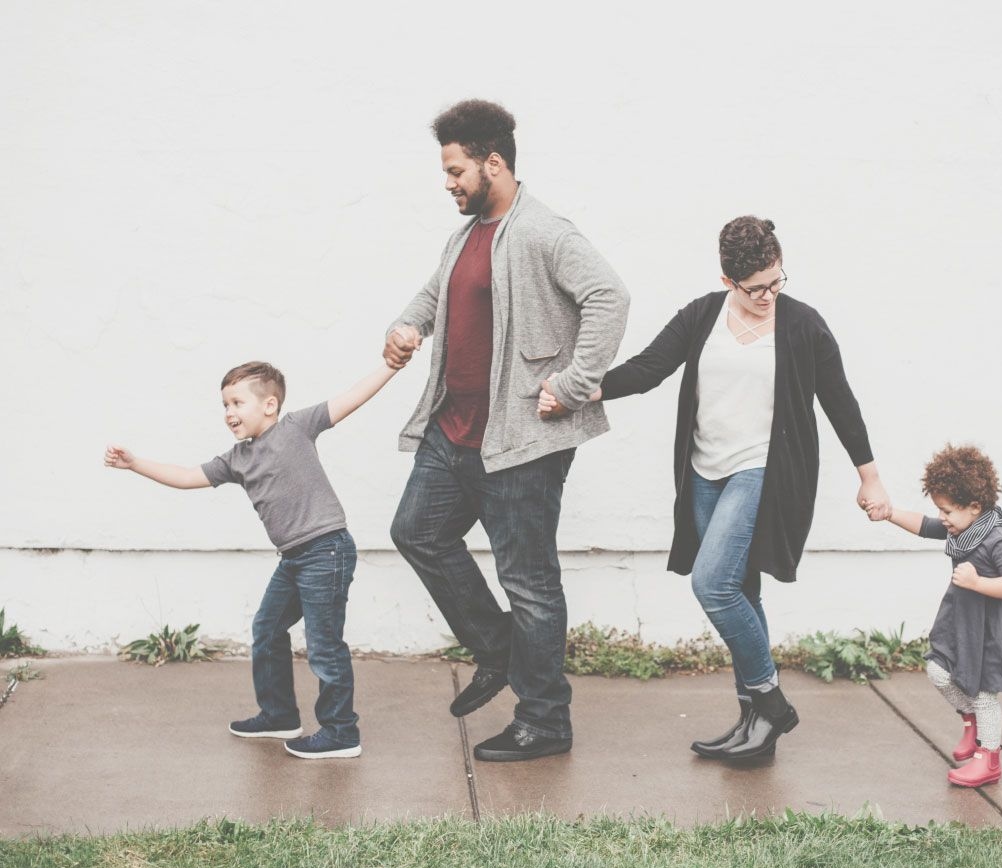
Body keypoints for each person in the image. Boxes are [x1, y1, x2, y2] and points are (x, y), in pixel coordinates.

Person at [539, 216, 890, 760]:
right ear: (729, 281)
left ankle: (771, 702)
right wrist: (580, 391)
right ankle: (755, 727)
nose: (768, 296)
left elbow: (840, 401)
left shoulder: (803, 326)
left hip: (762, 471)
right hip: (704, 473)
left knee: (713, 585)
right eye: (755, 289)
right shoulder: (704, 315)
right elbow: (649, 368)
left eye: (777, 282)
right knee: (741, 591)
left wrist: (869, 476)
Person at [384, 99, 629, 762]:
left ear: (493, 163)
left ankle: (545, 719)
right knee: (416, 532)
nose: (449, 182)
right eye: (447, 170)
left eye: (457, 169)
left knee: (529, 581)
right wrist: (406, 327)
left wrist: (573, 384)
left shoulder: (543, 231)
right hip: (454, 431)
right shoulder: (466, 235)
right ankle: (497, 651)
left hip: (519, 442)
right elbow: (436, 294)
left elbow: (610, 296)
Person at [104, 359, 400, 759]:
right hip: (293, 558)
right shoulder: (237, 459)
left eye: (237, 403)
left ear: (269, 405)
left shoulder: (297, 427)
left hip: (326, 550)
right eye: (224, 405)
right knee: (267, 628)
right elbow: (188, 475)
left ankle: (341, 732)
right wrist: (135, 464)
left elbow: (351, 397)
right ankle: (279, 714)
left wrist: (391, 366)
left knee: (324, 645)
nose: (229, 413)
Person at [867, 444, 1002, 787]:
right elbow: (925, 525)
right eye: (940, 509)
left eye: (947, 510)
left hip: (989, 629)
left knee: (983, 693)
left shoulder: (997, 539)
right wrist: (889, 513)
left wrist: (977, 582)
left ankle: (988, 759)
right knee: (938, 670)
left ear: (975, 507)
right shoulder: (961, 529)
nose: (942, 517)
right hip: (960, 622)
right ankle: (970, 722)